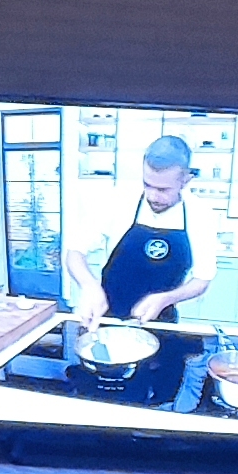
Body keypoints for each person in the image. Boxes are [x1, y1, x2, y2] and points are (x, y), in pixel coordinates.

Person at [64, 135, 217, 406]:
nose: (153, 196)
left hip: (160, 323)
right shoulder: (117, 201)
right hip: (106, 321)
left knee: (153, 401)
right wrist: (90, 287)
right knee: (97, 402)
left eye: (164, 189)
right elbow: (75, 252)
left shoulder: (201, 214)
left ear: (185, 180)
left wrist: (165, 298)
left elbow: (202, 279)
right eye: (148, 185)